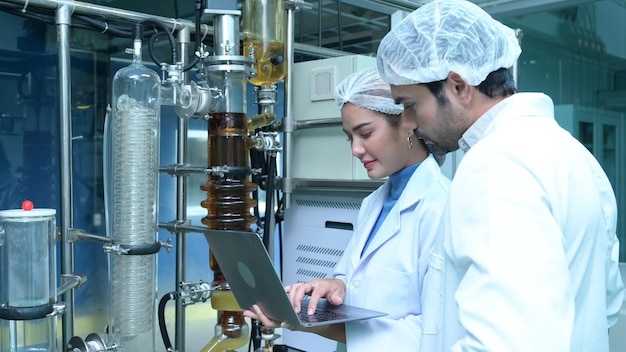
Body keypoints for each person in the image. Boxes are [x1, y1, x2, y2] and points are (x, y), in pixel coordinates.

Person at [376, 0, 625, 351]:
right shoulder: (575, 156)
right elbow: (608, 303)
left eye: (411, 105)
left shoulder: (495, 166)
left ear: (459, 86)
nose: (410, 125)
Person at [244, 67, 451, 350]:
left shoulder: (442, 208)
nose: (355, 149)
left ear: (407, 122)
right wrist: (334, 287)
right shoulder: (374, 203)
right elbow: (352, 279)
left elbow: (434, 332)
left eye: (365, 133)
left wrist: (317, 325)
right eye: (349, 137)